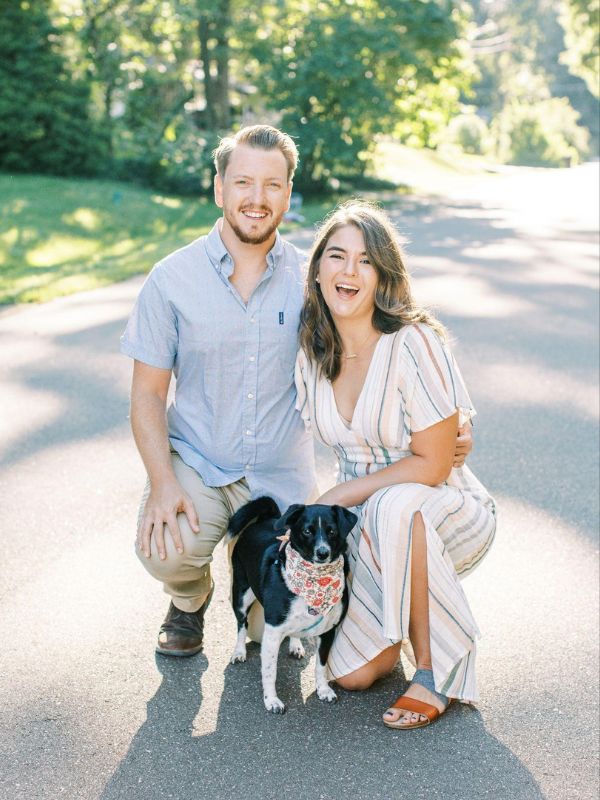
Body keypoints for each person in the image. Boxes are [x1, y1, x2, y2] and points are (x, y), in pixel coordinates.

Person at [120, 124, 472, 660]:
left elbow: (372, 352)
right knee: (167, 548)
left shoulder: (315, 280)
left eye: (272, 185)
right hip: (200, 462)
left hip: (279, 477)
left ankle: (251, 588)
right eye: (243, 182)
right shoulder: (171, 279)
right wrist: (162, 482)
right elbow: (146, 394)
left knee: (281, 629)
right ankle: (189, 596)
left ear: (288, 194)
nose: (256, 199)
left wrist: (438, 437)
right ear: (219, 190)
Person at [295, 201, 496, 729]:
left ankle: (437, 671)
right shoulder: (312, 353)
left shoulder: (413, 343)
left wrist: (339, 494)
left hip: (441, 509)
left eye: (365, 261)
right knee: (353, 676)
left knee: (395, 502)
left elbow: (431, 465)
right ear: (317, 271)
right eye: (336, 256)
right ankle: (406, 613)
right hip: (365, 528)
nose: (348, 271)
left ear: (382, 275)